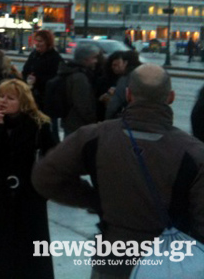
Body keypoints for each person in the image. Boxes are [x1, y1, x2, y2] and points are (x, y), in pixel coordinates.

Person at [32, 64, 204, 278]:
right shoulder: (193, 152)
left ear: (128, 94)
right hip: (168, 264)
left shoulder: (94, 137)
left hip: (112, 259)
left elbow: (45, 177)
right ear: (170, 97)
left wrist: (95, 199)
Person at [0, 79, 55, 279]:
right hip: (0, 195)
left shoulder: (40, 125)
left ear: (23, 101)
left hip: (29, 196)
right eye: (1, 96)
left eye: (10, 98)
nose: (3, 101)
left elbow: (55, 158)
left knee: (29, 249)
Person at [57, 43, 100, 137]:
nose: (96, 61)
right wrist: (92, 120)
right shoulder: (80, 77)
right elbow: (82, 103)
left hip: (70, 121)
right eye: (94, 58)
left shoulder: (72, 72)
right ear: (86, 58)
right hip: (77, 124)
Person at [22, 30, 63, 109]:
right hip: (31, 95)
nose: (37, 43)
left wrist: (37, 80)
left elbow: (56, 79)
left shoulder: (54, 58)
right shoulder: (34, 55)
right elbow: (25, 70)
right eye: (36, 41)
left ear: (48, 42)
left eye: (40, 41)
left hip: (46, 98)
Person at [104, 50, 141, 119]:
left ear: (125, 63)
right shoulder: (143, 75)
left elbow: (115, 103)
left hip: (130, 116)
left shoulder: (125, 79)